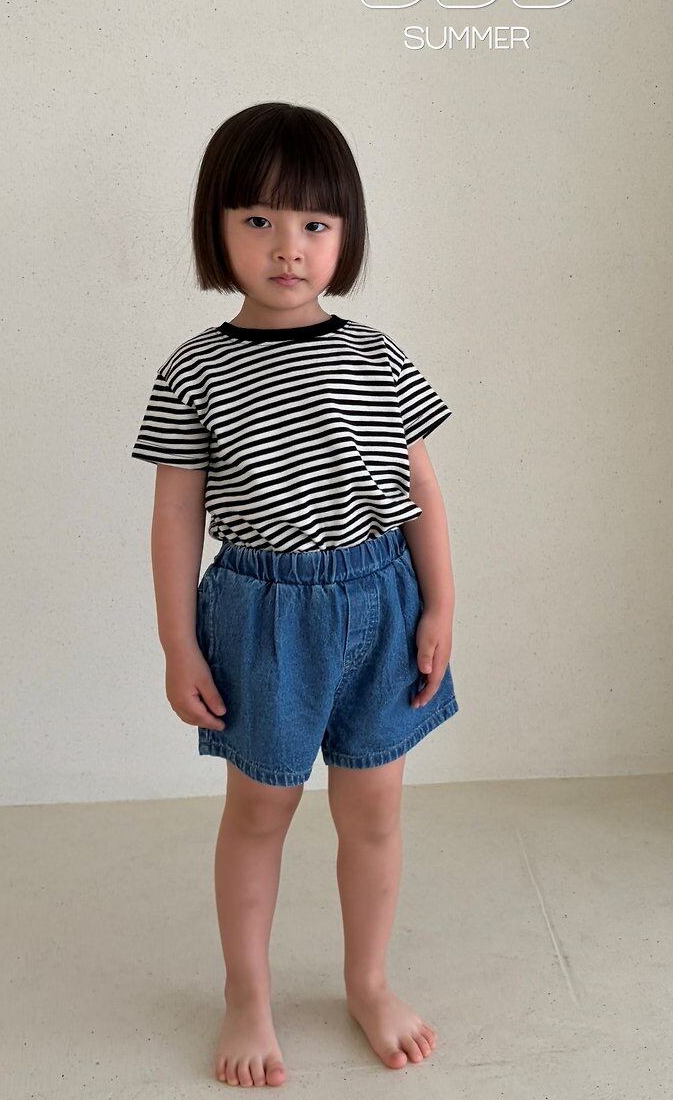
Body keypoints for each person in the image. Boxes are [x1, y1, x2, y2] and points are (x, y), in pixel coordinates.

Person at [130, 102, 459, 1087]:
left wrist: (441, 606)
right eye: (258, 220)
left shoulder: (379, 355)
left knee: (374, 810)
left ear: (345, 234)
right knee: (259, 810)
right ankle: (247, 994)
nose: (288, 246)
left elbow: (422, 490)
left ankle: (368, 980)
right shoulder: (194, 369)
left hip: (382, 604)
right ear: (217, 228)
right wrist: (178, 644)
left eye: (314, 222)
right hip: (262, 615)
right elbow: (175, 518)